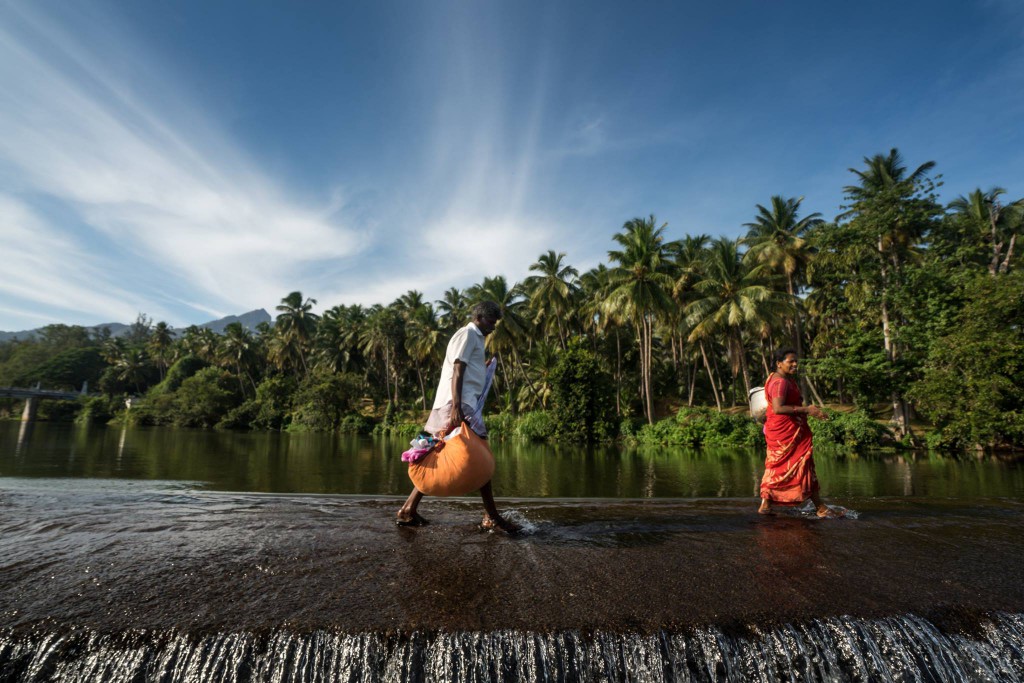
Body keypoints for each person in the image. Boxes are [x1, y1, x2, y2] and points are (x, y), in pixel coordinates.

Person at [396, 301, 519, 532]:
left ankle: (408, 510)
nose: (493, 327)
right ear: (480, 318)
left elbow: (466, 368)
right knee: (478, 454)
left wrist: (482, 368)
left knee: (434, 454)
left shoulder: (475, 339)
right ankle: (491, 517)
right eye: (492, 322)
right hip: (456, 404)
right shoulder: (467, 334)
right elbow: (458, 369)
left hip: (459, 403)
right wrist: (456, 409)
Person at [758, 347, 841, 518]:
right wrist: (807, 410)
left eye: (796, 361)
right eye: (791, 361)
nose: (795, 364)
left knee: (782, 466)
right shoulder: (780, 382)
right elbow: (778, 408)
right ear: (779, 364)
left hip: (784, 432)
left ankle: (766, 504)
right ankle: (820, 508)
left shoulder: (781, 379)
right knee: (800, 464)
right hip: (785, 433)